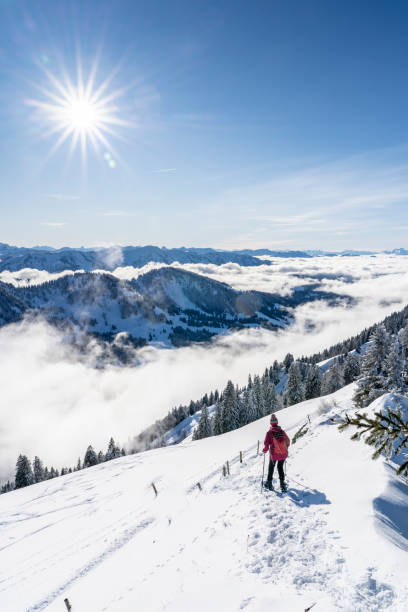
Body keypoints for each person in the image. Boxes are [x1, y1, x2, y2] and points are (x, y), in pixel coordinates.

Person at [263, 413, 290, 492]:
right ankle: (282, 484)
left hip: (274, 455)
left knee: (271, 467)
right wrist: (286, 447)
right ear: (277, 422)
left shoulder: (269, 433)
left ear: (271, 423)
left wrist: (265, 450)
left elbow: (266, 445)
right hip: (283, 454)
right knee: (280, 467)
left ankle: (269, 483)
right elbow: (288, 441)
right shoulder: (282, 431)